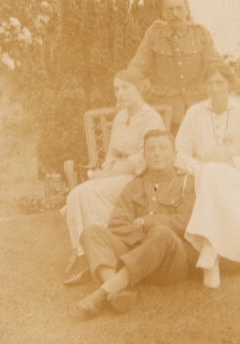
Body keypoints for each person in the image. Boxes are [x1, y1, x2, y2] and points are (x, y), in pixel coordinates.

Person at [75, 130, 196, 318]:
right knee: (91, 232)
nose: (157, 153)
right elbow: (116, 224)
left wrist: (146, 223)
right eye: (151, 149)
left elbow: (185, 222)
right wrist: (144, 243)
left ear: (174, 154)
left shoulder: (187, 183)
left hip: (170, 263)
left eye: (163, 148)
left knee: (162, 233)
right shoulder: (135, 185)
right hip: (137, 257)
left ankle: (103, 293)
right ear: (145, 155)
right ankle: (116, 290)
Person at [175, 63, 240, 288]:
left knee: (213, 173)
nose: (215, 88)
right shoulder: (195, 113)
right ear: (204, 86)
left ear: (229, 85)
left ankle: (210, 251)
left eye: (219, 82)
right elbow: (179, 154)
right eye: (210, 83)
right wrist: (198, 168)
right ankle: (211, 252)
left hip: (236, 179)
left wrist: (236, 162)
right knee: (210, 172)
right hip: (202, 179)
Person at [64, 69, 165, 275]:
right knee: (78, 194)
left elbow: (144, 159)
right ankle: (84, 253)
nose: (120, 93)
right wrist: (104, 172)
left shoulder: (150, 118)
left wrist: (109, 174)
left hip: (140, 179)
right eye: (116, 89)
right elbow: (111, 154)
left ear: (139, 89)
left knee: (88, 193)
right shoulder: (120, 117)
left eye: (125, 88)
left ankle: (100, 253)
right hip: (119, 175)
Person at [127, 0, 226, 132]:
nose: (175, 14)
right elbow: (137, 67)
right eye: (170, 10)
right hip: (166, 115)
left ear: (187, 11)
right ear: (163, 13)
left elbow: (216, 66)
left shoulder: (200, 34)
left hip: (199, 111)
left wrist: (220, 93)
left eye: (179, 9)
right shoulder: (154, 34)